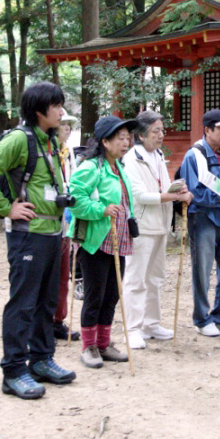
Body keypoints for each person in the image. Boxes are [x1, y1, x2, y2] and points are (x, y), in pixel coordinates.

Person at [0, 82, 76, 400]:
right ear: (38, 110)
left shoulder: (48, 140)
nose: (61, 111)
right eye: (56, 106)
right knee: (23, 303)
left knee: (46, 302)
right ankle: (14, 370)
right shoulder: (19, 139)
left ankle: (42, 359)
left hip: (52, 233)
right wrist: (7, 209)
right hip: (28, 237)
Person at [68, 115, 138, 368]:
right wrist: (101, 209)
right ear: (105, 141)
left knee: (111, 294)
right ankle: (88, 347)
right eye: (120, 139)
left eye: (127, 138)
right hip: (95, 240)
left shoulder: (119, 167)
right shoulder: (90, 167)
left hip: (118, 239)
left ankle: (104, 343)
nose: (125, 143)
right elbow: (75, 198)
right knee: (95, 294)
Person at [121, 111, 193, 349]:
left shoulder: (159, 154)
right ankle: (132, 328)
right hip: (141, 226)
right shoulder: (131, 159)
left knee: (155, 278)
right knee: (136, 278)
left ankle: (151, 324)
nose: (161, 135)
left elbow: (164, 184)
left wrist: (178, 191)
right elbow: (139, 196)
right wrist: (173, 196)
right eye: (156, 131)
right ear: (141, 135)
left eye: (162, 130)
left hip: (161, 224)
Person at [179, 109, 220, 337]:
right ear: (207, 130)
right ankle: (202, 318)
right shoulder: (194, 156)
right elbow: (196, 192)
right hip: (203, 218)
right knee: (203, 269)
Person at [52, 112, 80, 342]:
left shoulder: (68, 153)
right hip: (47, 220)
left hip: (65, 220)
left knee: (64, 274)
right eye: (63, 125)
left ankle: (58, 320)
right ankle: (44, 321)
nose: (67, 129)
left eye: (69, 125)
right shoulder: (48, 152)